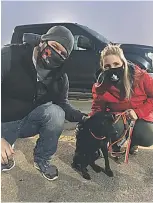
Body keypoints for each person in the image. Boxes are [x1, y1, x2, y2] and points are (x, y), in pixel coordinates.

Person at [1, 26, 87, 180]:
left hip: (30, 122)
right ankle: (5, 148)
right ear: (42, 41)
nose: (56, 54)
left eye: (63, 54)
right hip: (5, 121)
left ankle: (42, 160)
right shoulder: (9, 56)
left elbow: (63, 104)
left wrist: (83, 118)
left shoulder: (60, 77)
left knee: (55, 113)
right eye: (54, 46)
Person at [89, 44, 153, 154]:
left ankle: (133, 142)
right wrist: (90, 123)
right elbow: (97, 108)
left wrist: (138, 112)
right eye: (107, 66)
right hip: (117, 118)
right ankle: (116, 143)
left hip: (140, 117)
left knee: (147, 136)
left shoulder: (141, 77)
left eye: (116, 64)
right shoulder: (101, 86)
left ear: (123, 63)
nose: (112, 69)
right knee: (109, 127)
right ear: (103, 68)